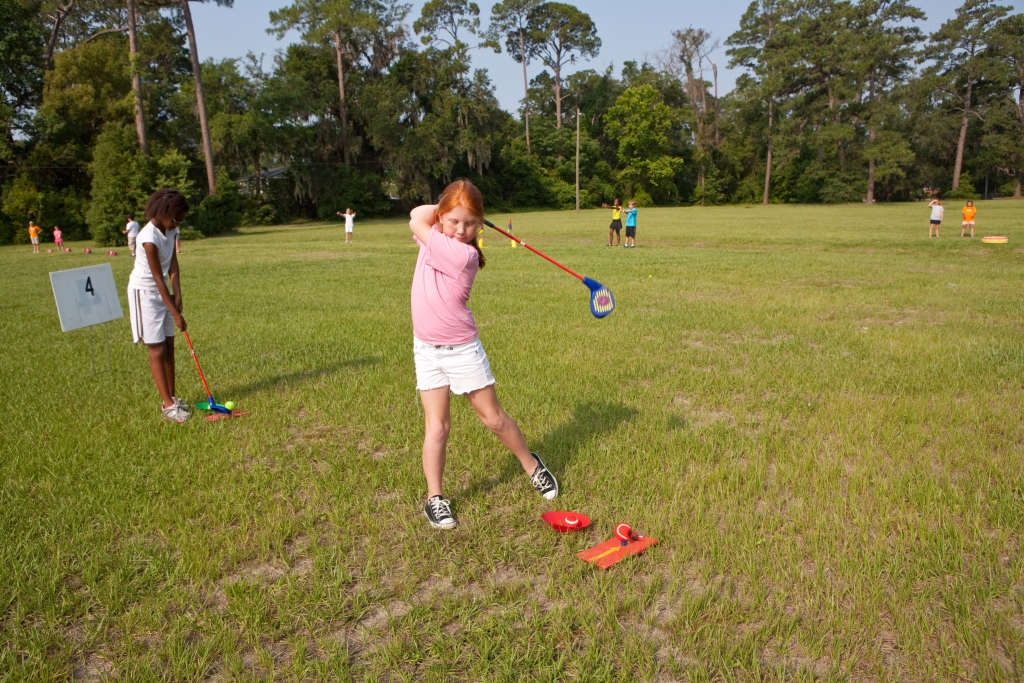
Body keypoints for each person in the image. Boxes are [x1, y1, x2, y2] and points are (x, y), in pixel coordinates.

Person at [409, 179, 559, 530]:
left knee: (493, 419)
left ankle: (532, 465)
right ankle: (435, 498)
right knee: (437, 427)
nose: (462, 230)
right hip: (427, 349)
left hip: (461, 349)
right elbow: (419, 214)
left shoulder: (464, 255)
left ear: (480, 224)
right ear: (443, 218)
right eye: (455, 222)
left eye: (471, 223)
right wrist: (452, 208)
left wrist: (447, 212)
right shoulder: (438, 233)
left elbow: (417, 218)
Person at [127, 189, 191, 423]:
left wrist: (178, 294)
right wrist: (174, 312)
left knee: (169, 344)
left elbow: (173, 263)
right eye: (176, 219)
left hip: (163, 291)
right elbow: (156, 277)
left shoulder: (170, 230)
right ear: (164, 213)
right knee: (157, 348)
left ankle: (172, 398)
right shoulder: (148, 238)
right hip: (145, 292)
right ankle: (167, 405)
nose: (178, 224)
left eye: (181, 220)